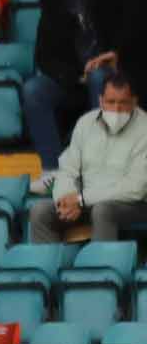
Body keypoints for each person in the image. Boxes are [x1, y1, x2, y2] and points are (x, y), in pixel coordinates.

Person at [24, 0, 147, 172]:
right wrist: (74, 76)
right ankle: (52, 170)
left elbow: (139, 25)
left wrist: (117, 53)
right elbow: (44, 56)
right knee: (34, 90)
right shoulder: (52, 2)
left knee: (100, 76)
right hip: (75, 81)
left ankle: (96, 164)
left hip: (118, 74)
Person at [31, 70, 147, 242]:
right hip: (85, 202)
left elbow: (135, 188)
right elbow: (67, 169)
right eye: (111, 102)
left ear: (134, 101)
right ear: (100, 100)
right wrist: (66, 199)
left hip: (133, 205)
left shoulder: (144, 129)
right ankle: (48, 266)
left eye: (123, 103)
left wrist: (81, 199)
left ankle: (103, 268)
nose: (116, 109)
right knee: (40, 211)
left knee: (103, 210)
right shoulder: (86, 123)